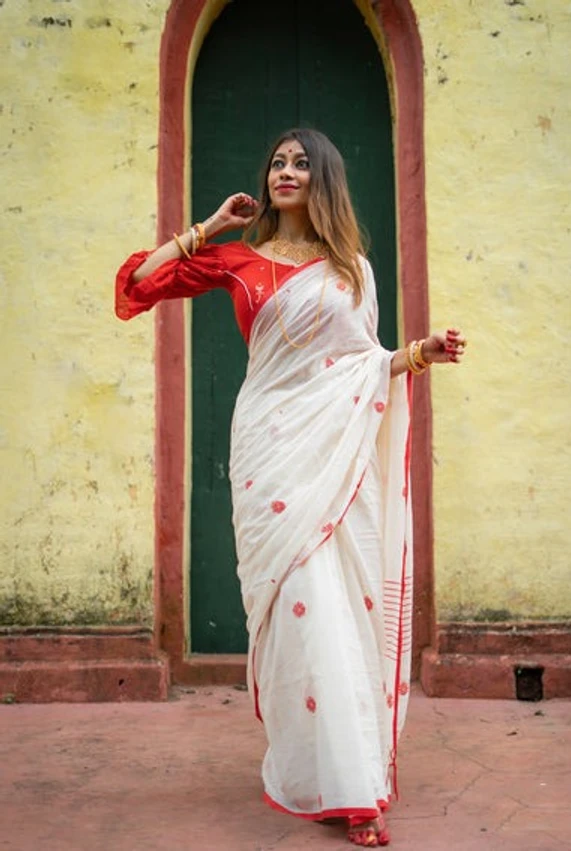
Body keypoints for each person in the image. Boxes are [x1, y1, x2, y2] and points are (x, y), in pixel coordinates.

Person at [115, 128, 466, 847]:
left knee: (334, 608)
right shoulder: (240, 259)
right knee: (300, 608)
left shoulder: (354, 271)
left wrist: (419, 354)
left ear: (324, 180)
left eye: (302, 163)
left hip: (330, 459)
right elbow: (137, 283)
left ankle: (355, 789)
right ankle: (323, 767)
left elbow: (362, 366)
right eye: (277, 161)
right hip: (270, 455)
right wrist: (210, 225)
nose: (286, 171)